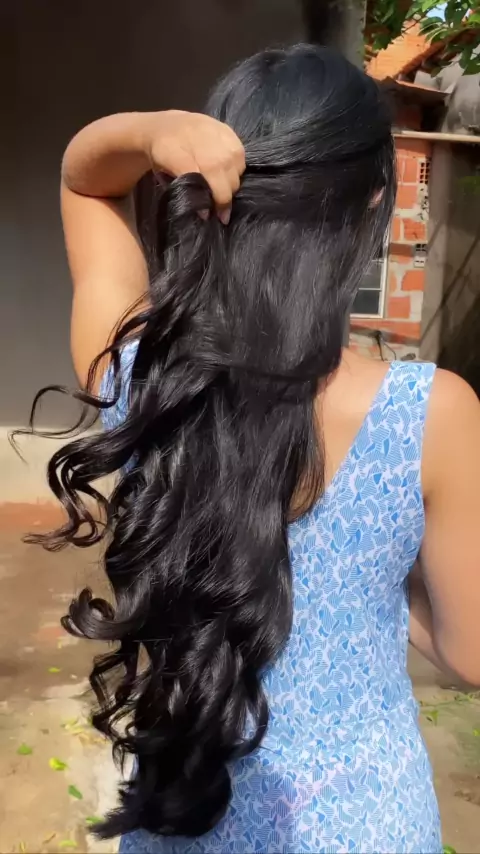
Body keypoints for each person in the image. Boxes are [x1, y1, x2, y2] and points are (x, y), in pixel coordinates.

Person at [31, 45, 480, 854]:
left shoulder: (145, 385)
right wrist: (384, 582)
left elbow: (83, 180)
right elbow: (471, 650)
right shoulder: (432, 414)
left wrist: (149, 131)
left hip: (183, 823)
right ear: (374, 201)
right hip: (369, 829)